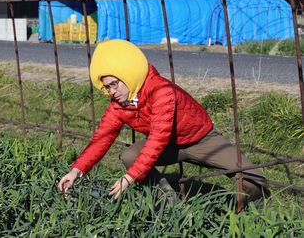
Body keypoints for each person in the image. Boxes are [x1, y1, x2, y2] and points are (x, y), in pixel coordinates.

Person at [57, 39, 269, 202]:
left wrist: (128, 178)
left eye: (114, 84)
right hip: (169, 145)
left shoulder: (161, 91)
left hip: (201, 140)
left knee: (253, 178)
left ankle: (252, 212)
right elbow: (102, 138)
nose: (111, 92)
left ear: (127, 73)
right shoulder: (120, 104)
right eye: (107, 87)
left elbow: (157, 138)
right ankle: (166, 198)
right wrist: (76, 171)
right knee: (130, 155)